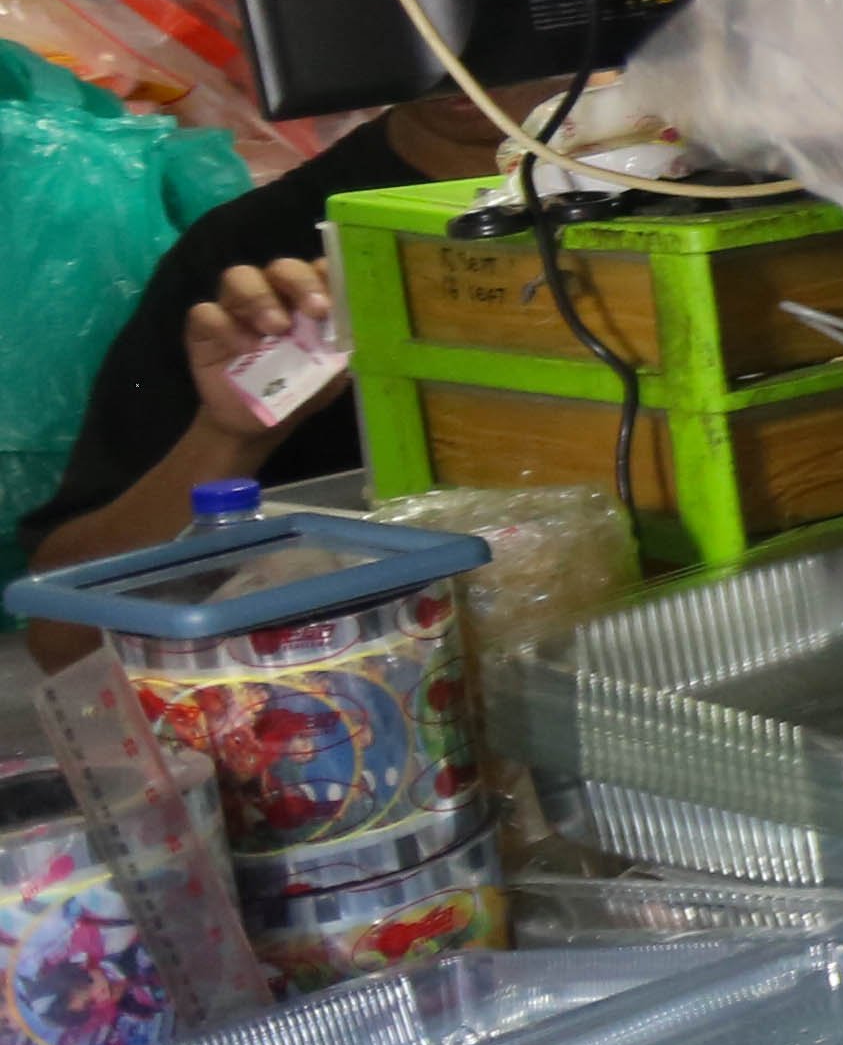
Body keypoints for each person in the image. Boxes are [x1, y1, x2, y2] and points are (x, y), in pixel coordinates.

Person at [22, 79, 554, 638]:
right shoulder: (255, 258)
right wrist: (231, 434)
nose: (455, 54)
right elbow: (64, 638)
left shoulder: (620, 201)